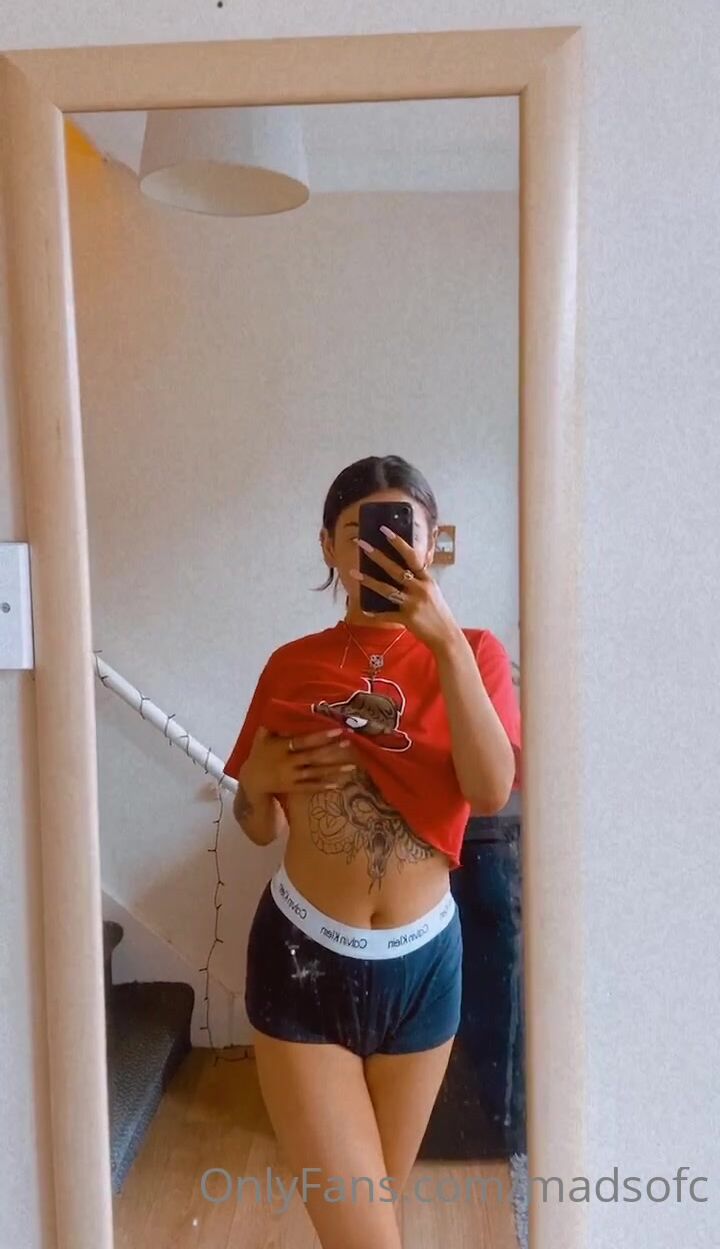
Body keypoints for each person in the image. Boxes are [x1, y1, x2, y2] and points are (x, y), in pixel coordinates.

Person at [223, 454, 522, 1249]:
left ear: (434, 544)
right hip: (303, 960)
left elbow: (491, 789)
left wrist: (444, 640)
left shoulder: (478, 654)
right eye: (359, 531)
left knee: (373, 1211)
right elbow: (258, 823)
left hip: (424, 970)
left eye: (401, 532)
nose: (379, 548)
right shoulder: (292, 664)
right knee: (366, 1233)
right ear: (328, 545)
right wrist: (256, 781)